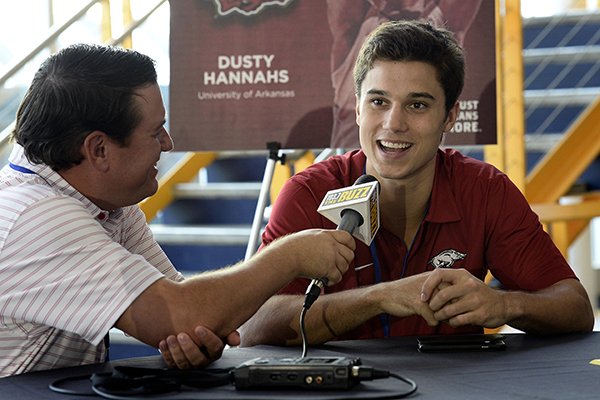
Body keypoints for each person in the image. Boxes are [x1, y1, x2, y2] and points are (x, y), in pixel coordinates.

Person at [0, 43, 356, 377]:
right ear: (99, 150)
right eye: (156, 132)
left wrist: (197, 335)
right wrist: (291, 255)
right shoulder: (36, 216)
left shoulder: (104, 204)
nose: (169, 144)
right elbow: (186, 314)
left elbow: (194, 320)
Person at [234, 19, 594, 347]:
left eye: (417, 105)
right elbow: (254, 327)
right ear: (357, 108)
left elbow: (576, 308)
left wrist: (504, 304)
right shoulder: (308, 192)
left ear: (450, 116)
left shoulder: (485, 189)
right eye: (378, 102)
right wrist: (380, 298)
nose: (393, 123)